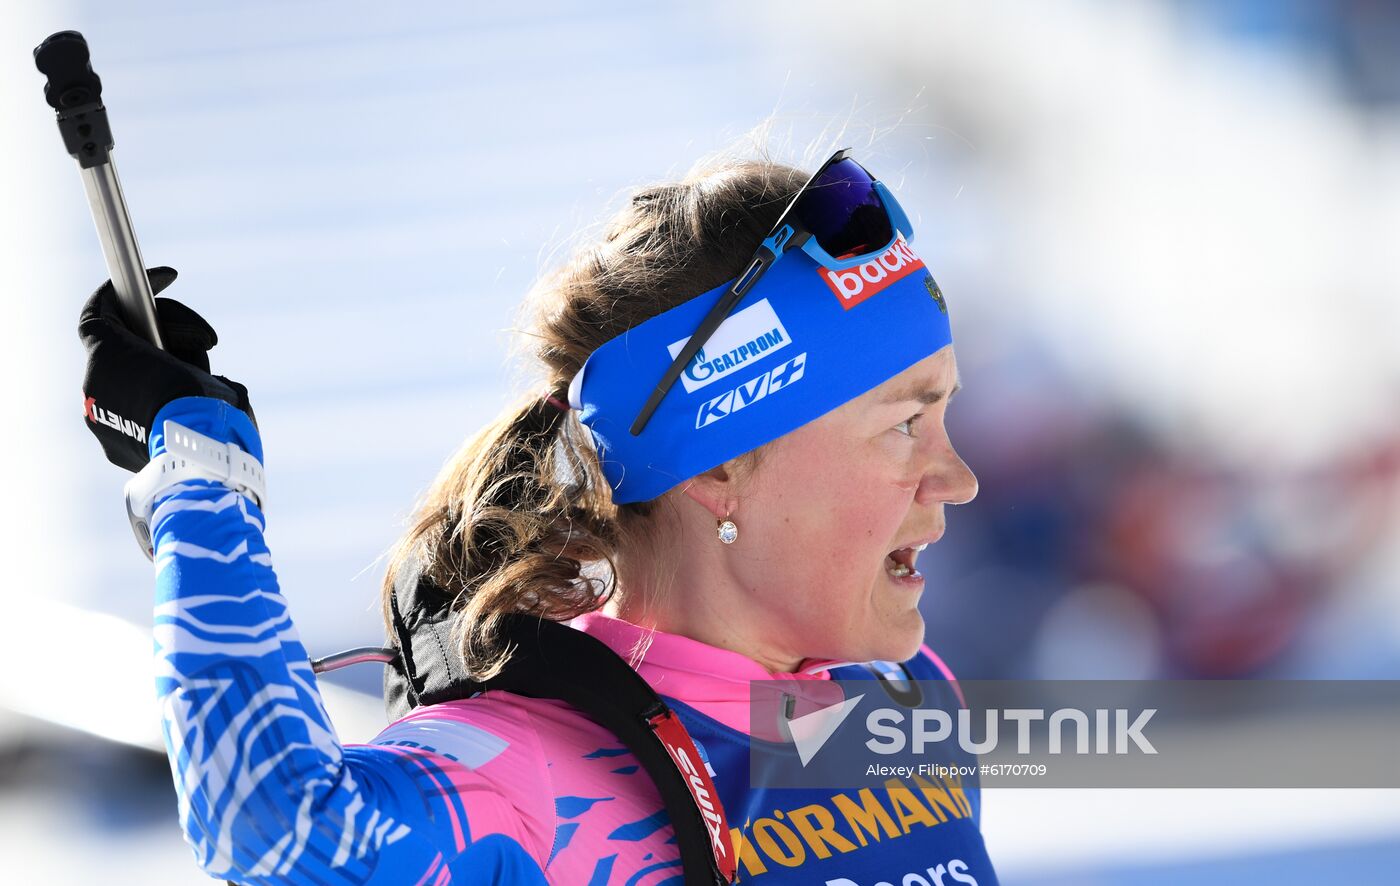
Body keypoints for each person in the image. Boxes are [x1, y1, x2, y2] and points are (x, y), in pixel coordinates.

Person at [79, 147, 995, 884]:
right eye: (906, 425)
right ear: (722, 467)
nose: (958, 479)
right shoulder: (531, 775)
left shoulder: (908, 702)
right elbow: (271, 821)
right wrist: (204, 478)